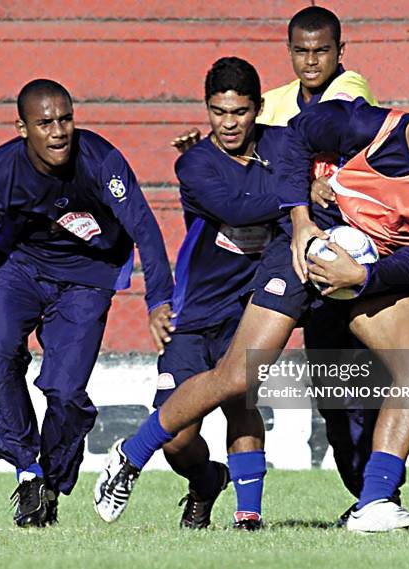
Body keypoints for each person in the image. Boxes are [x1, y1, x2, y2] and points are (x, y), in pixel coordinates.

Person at [94, 79, 409, 533]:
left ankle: (375, 502)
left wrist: (362, 277)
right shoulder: (361, 124)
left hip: (367, 271)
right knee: (239, 374)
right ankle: (131, 454)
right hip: (306, 246)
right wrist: (299, 219)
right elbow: (296, 137)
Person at [0, 79, 175, 528]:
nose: (59, 131)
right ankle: (29, 473)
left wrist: (159, 299)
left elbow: (145, 228)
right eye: (45, 123)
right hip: (17, 269)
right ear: (22, 128)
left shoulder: (102, 160)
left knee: (64, 391)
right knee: (0, 356)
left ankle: (52, 481)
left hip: (87, 277)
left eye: (65, 119)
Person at [172, 5, 383, 525]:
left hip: (344, 260)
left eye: (322, 51)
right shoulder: (278, 105)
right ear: (289, 52)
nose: (312, 62)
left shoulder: (349, 94)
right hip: (293, 260)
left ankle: (378, 498)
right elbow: (244, 143)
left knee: (351, 388)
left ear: (340, 52)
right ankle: (365, 500)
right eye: (301, 51)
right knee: (323, 396)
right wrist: (208, 156)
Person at [154, 57, 295, 531]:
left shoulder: (282, 147)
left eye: (238, 112)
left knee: (242, 400)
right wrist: (296, 194)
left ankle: (248, 514)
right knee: (175, 435)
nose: (228, 123)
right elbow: (232, 206)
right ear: (207, 109)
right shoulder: (194, 162)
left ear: (257, 108)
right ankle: (204, 479)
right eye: (218, 112)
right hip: (194, 311)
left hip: (250, 306)